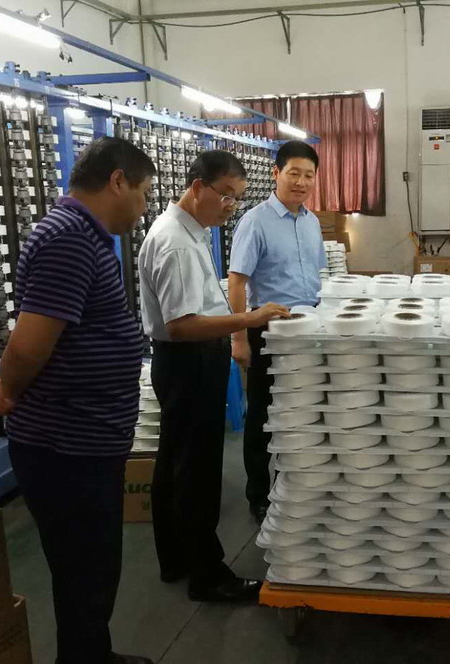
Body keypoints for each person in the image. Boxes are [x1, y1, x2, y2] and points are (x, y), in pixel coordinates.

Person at [0, 137, 155, 664]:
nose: (144, 208)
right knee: (86, 570)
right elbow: (28, 344)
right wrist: (10, 390)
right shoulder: (71, 237)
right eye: (143, 192)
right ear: (117, 181)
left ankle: (91, 654)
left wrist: (15, 384)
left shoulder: (79, 236)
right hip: (67, 446)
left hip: (82, 438)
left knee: (89, 569)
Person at [138, 150, 290, 601]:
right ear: (197, 187)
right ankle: (207, 575)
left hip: (185, 361)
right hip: (189, 361)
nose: (230, 207)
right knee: (198, 471)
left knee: (175, 462)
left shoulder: (190, 231)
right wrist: (249, 320)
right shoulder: (177, 243)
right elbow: (181, 325)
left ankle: (176, 559)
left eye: (237, 198)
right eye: (225, 195)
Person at [228, 140, 327, 524]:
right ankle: (259, 494)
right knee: (262, 415)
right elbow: (237, 283)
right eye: (293, 173)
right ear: (276, 173)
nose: (301, 182)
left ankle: (297, 485)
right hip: (269, 330)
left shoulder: (312, 221)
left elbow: (316, 274)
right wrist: (239, 338)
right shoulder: (255, 221)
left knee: (304, 410)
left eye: (308, 175)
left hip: (309, 328)